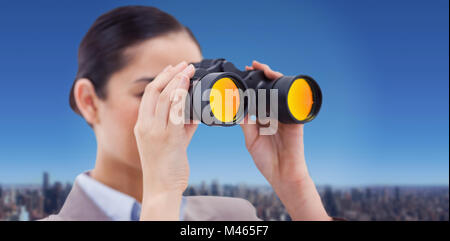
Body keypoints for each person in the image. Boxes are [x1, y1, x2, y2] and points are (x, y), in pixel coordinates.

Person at [41, 5, 332, 221]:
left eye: (188, 90)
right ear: (89, 102)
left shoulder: (233, 217)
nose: (173, 109)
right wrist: (162, 195)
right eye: (152, 91)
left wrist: (294, 184)